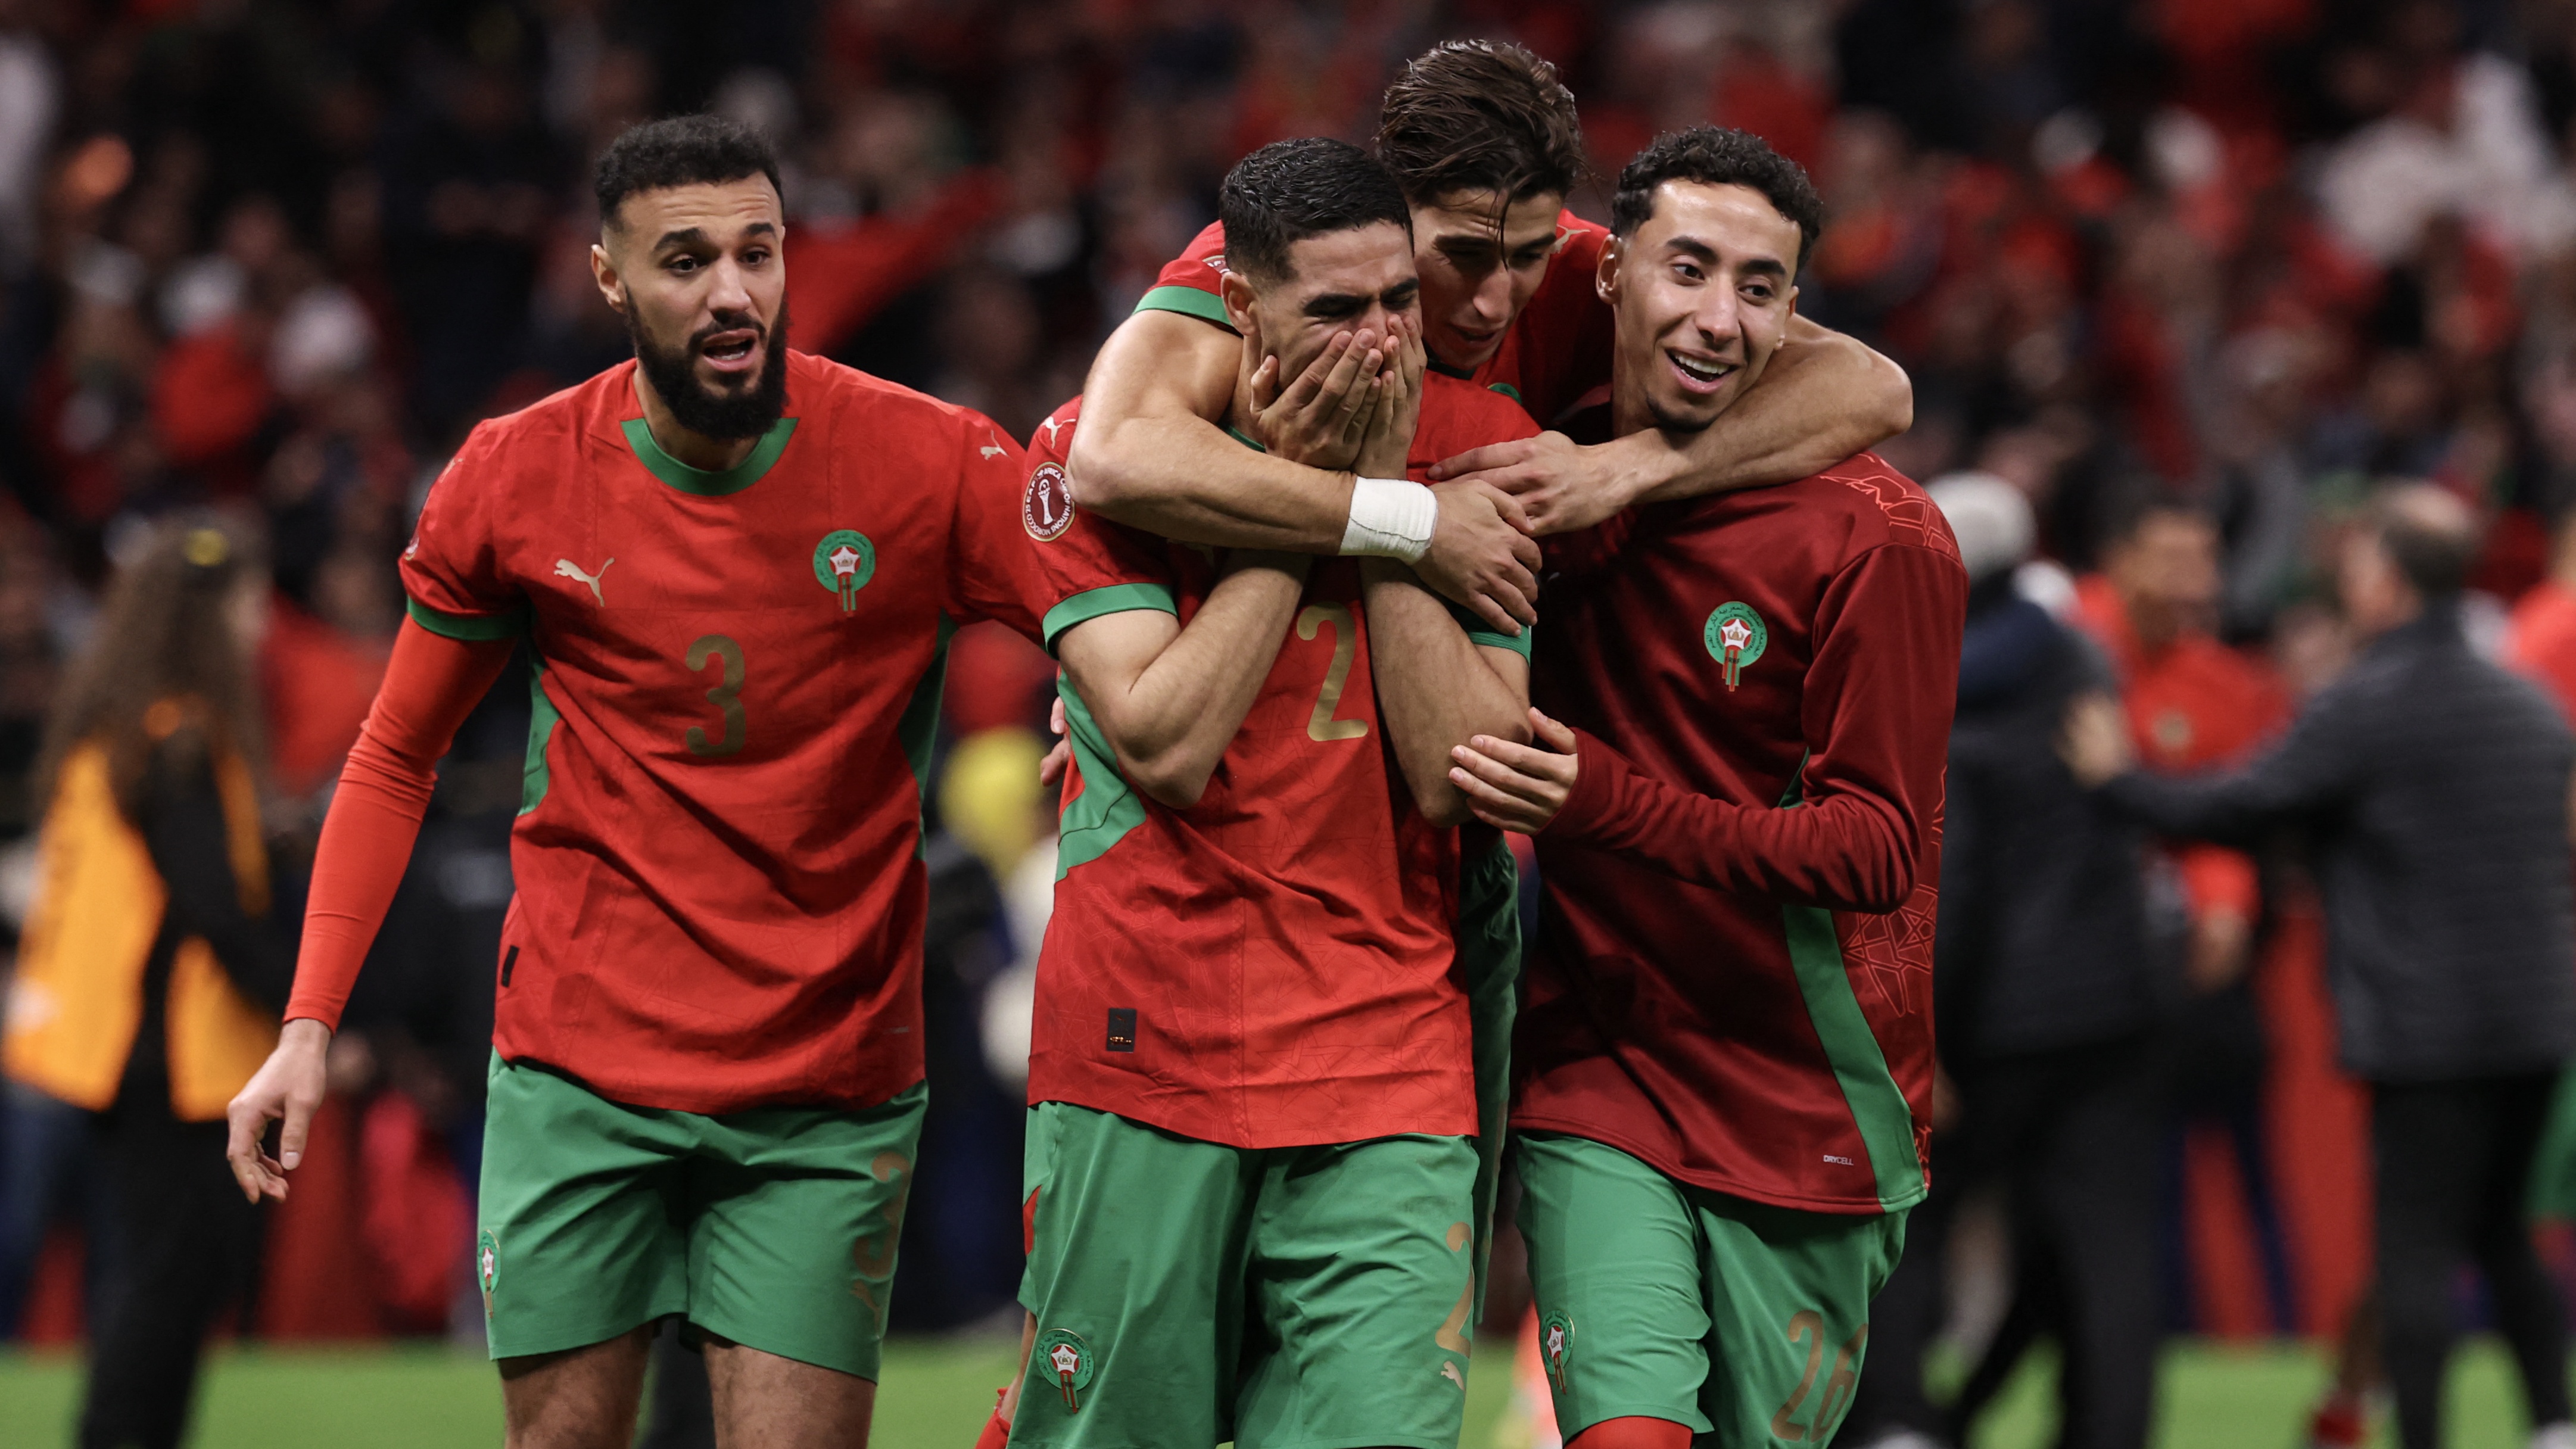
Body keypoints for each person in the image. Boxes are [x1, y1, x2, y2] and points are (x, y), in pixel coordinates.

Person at [220, 114, 1041, 1449]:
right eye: (686, 259)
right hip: (577, 1079)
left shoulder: (927, 459)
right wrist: (309, 1022)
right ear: (608, 277)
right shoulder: (518, 474)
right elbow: (393, 753)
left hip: (824, 1089)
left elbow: (1117, 628)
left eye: (758, 252)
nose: (733, 291)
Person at [989, 136, 1534, 1449]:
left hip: (1387, 1054)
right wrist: (1349, 513)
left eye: (1398, 300)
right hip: (1146, 1044)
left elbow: (1468, 773)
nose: (1380, 341)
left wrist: (1395, 490)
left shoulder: (1489, 456)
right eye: (1335, 311)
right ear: (1238, 307)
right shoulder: (1081, 460)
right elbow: (1167, 746)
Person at [1443, 127, 1966, 1449]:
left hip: (1811, 1096)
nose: (1719, 318)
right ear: (1611, 274)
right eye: (1688, 269)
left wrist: (1604, 801)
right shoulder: (1539, 481)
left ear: (1797, 315)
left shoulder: (1883, 536)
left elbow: (1875, 850)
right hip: (1599, 1062)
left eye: (1760, 287)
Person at [1066, 40, 1912, 635]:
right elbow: (1113, 455)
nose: (1495, 300)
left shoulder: (1585, 270)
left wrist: (1619, 470)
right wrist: (1415, 523)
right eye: (1463, 257)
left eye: (1526, 256)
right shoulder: (1295, 265)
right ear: (1388, 210)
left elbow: (1874, 388)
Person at [2062, 484, 2576, 1449]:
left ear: (2384, 582)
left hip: (2425, 1028)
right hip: (2537, 1017)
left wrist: (2115, 780)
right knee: (2504, 1231)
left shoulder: (2366, 704)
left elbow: (2235, 805)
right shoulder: (2526, 704)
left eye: (2356, 566)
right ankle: (2552, 1423)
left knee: (2413, 1247)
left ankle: (2420, 1434)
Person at [1842, 477, 2169, 1449]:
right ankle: (2104, 1429)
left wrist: (1920, 1027)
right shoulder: (2079, 659)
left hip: (1990, 1016)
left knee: (1907, 1220)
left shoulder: (1931, 683)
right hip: (2111, 1004)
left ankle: (1899, 1418)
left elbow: (1962, 880)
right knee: (2104, 1240)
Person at [1, 519, 294, 1449]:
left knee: (154, 1280)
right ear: (204, 616)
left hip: (101, 1049)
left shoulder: (115, 732)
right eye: (246, 604)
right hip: (169, 1057)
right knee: (167, 1286)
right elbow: (213, 906)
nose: (259, 625)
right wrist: (313, 1011)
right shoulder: (180, 741)